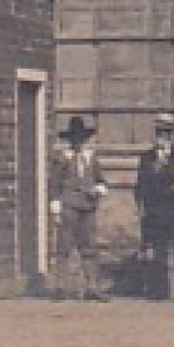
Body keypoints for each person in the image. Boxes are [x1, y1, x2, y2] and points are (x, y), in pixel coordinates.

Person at [134, 112, 174, 303]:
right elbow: (140, 186)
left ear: (172, 135)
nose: (164, 137)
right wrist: (142, 208)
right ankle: (159, 291)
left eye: (167, 133)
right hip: (157, 213)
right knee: (159, 255)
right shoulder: (147, 158)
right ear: (156, 134)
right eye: (160, 133)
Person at [50, 115, 108, 301]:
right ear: (70, 140)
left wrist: (97, 190)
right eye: (75, 138)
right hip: (69, 207)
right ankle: (61, 288)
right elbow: (54, 184)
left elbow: (101, 181)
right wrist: (56, 208)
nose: (78, 142)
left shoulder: (91, 157)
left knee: (89, 247)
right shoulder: (63, 158)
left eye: (81, 138)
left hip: (88, 207)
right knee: (64, 247)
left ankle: (92, 288)